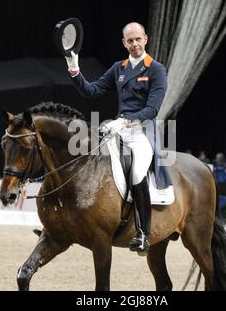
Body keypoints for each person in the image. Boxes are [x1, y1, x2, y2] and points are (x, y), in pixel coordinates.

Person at [64, 22, 168, 255]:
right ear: (124, 43)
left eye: (138, 39)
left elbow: (152, 109)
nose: (134, 44)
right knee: (86, 158)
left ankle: (143, 233)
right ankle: (67, 223)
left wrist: (125, 121)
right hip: (116, 129)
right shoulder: (118, 68)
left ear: (145, 39)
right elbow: (91, 91)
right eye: (129, 41)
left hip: (142, 132)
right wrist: (74, 69)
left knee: (137, 171)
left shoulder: (156, 69)